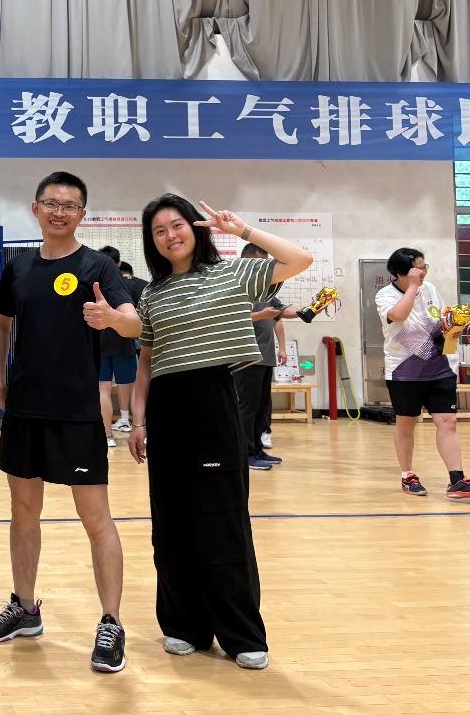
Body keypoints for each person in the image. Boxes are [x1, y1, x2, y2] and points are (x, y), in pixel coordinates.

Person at [129, 195, 313, 671]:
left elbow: (300, 260)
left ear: (195, 228)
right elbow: (147, 361)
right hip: (165, 407)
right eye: (159, 231)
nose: (170, 236)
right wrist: (138, 420)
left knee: (222, 518)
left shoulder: (233, 273)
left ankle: (240, 632)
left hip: (213, 402)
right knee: (171, 521)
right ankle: (183, 624)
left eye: (177, 225)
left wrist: (242, 231)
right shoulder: (152, 294)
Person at [0, 172, 140, 674]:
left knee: (96, 519)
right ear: (35, 209)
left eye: (69, 205)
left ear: (82, 215)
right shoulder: (18, 267)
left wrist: (110, 318)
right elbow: (0, 326)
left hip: (77, 413)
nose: (59, 212)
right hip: (25, 408)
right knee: (23, 510)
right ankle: (25, 608)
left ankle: (111, 622)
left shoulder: (98, 265)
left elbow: (134, 321)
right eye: (51, 203)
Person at [375, 247, 470, 499]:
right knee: (406, 422)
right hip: (405, 370)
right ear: (401, 273)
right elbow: (398, 315)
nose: (424, 272)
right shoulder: (385, 295)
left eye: (425, 267)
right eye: (418, 268)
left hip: (440, 366)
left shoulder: (431, 289)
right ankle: (408, 476)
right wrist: (413, 287)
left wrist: (453, 326)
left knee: (448, 422)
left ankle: (457, 481)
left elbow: (441, 320)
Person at [231, 243, 298, 471]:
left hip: (265, 357)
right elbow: (231, 316)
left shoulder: (265, 288)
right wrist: (261, 314)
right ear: (247, 261)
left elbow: (281, 312)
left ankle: (257, 449)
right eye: (260, 263)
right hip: (245, 358)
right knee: (247, 407)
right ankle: (246, 454)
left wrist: (308, 310)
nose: (265, 268)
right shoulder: (236, 286)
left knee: (261, 408)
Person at [96, 247, 147, 445]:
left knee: (103, 388)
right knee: (134, 387)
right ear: (119, 263)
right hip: (124, 341)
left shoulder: (94, 285)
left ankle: (107, 435)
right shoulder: (133, 285)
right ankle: (139, 429)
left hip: (100, 343)